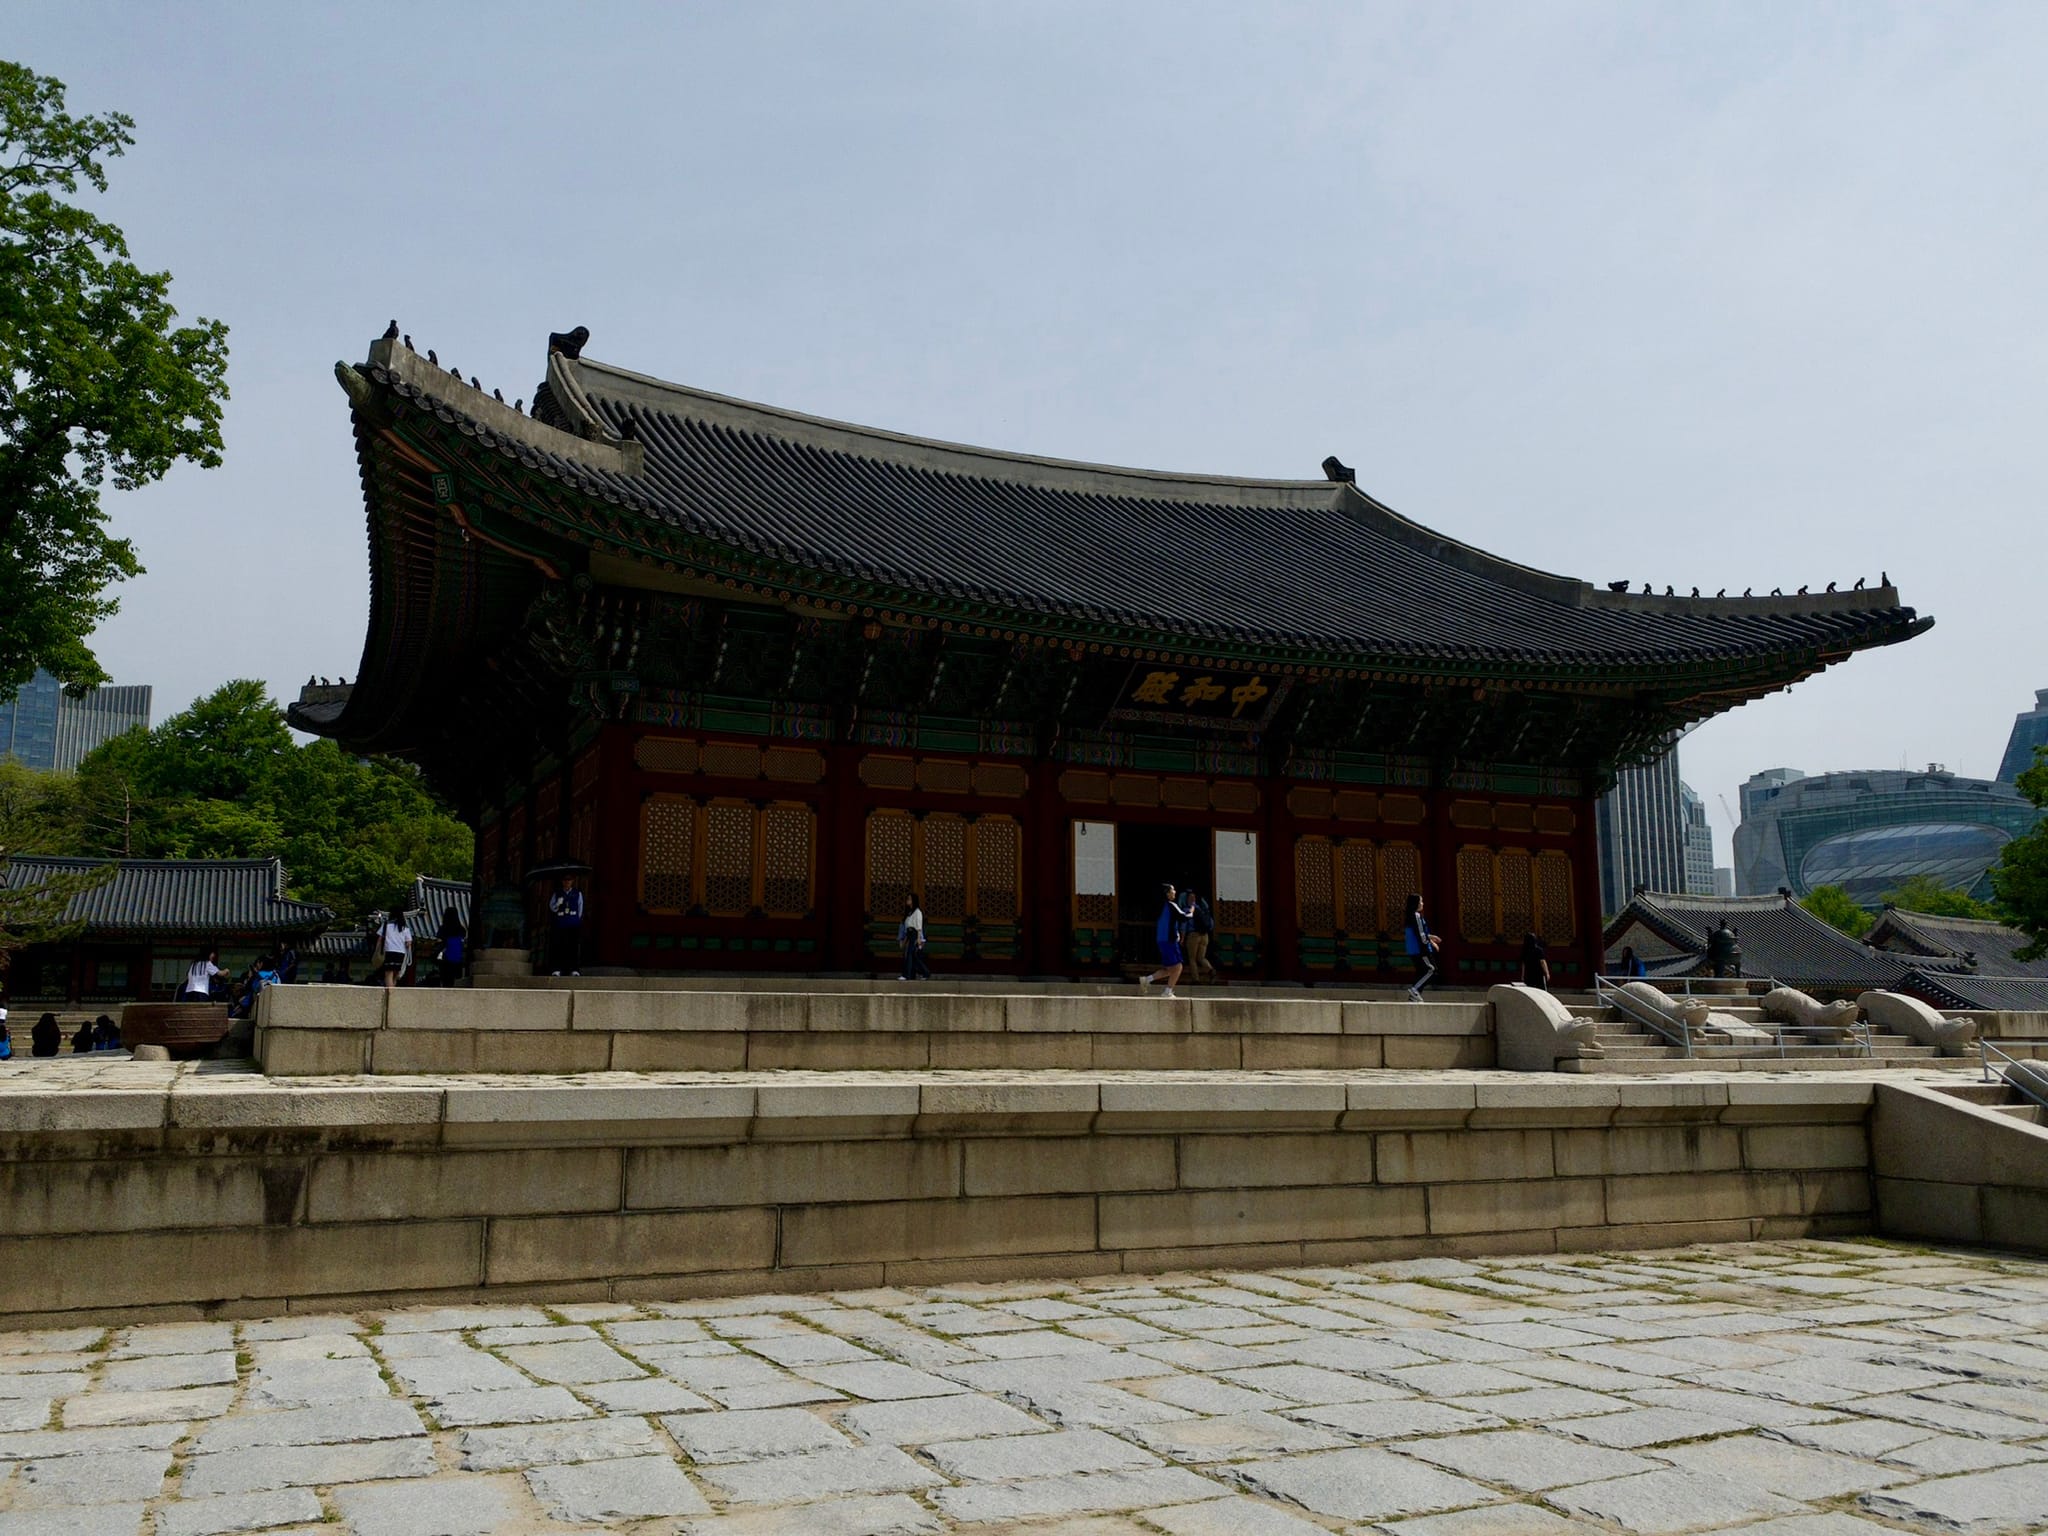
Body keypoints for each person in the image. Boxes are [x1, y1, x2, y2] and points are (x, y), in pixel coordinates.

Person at [1139, 882, 1194, 997]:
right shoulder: (1171, 905)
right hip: (1169, 941)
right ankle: (1168, 991)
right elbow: (1184, 917)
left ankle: (1147, 980)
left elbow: (1168, 922)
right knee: (1178, 966)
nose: (1174, 892)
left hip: (1162, 940)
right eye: (1172, 890)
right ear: (1167, 893)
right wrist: (1191, 910)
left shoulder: (1160, 906)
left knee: (1169, 969)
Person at [1403, 892, 1440, 1001]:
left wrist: (1430, 937)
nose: (1423, 904)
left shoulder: (1409, 916)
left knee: (1422, 971)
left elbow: (1417, 932)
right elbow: (1421, 934)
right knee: (1431, 969)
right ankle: (1415, 989)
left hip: (1413, 949)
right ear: (1416, 903)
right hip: (1420, 949)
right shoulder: (1416, 915)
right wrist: (1430, 942)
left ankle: (1414, 996)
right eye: (1421, 901)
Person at [548, 876, 584, 976]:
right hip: (560, 923)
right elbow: (552, 908)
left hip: (573, 923)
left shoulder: (577, 893)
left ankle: (574, 969)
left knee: (572, 946)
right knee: (559, 946)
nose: (567, 882)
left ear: (572, 881)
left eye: (569, 880)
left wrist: (575, 919)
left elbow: (580, 909)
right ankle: (557, 969)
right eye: (565, 880)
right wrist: (558, 904)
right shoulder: (557, 893)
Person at [1183, 887, 1219, 984]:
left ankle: (1196, 979)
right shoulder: (1202, 909)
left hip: (1193, 935)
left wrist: (1182, 937)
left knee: (1192, 958)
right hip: (1205, 935)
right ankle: (1211, 970)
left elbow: (1184, 925)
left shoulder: (1188, 909)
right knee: (1201, 957)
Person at [899, 894, 930, 981]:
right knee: (912, 956)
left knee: (909, 955)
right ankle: (924, 972)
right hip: (909, 934)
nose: (907, 900)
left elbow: (918, 926)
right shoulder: (909, 913)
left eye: (909, 899)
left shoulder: (917, 912)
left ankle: (906, 975)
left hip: (914, 934)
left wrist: (919, 938)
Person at [380, 912, 415, 991]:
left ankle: (390, 992)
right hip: (400, 953)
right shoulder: (405, 928)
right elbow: (409, 942)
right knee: (396, 973)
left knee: (389, 972)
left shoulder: (386, 925)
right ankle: (393, 987)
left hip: (389, 951)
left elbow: (380, 938)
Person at [435, 908, 467, 988]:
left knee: (445, 978)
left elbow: (439, 941)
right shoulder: (461, 929)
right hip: (456, 957)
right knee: (453, 979)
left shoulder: (443, 928)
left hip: (445, 957)